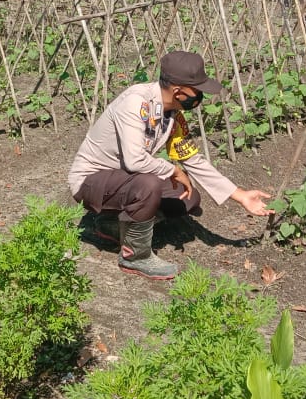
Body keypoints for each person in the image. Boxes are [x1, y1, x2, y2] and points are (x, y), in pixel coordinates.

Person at [68, 50, 272, 280]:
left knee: (187, 197)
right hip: (91, 181)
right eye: (198, 91)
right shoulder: (136, 103)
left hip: (124, 181)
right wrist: (173, 169)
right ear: (178, 90)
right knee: (149, 185)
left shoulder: (172, 113)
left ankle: (112, 224)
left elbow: (192, 158)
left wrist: (240, 195)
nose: (200, 97)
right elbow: (135, 160)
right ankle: (135, 256)